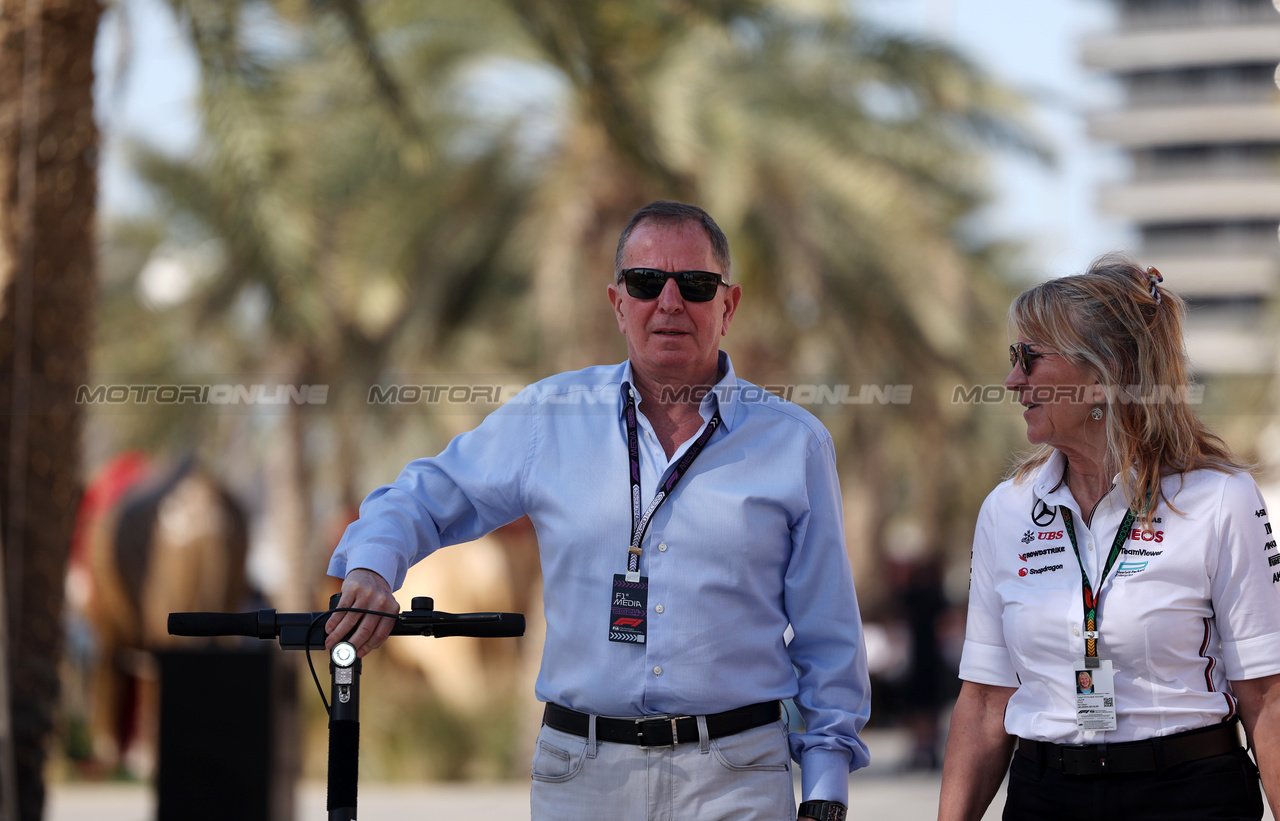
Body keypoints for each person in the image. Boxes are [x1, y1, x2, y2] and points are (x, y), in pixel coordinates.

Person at [324, 200, 871, 821]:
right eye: (645, 283)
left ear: (729, 305)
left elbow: (829, 638)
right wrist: (371, 567)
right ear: (617, 303)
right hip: (580, 779)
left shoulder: (794, 444)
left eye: (694, 284)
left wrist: (826, 788)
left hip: (736, 780)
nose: (669, 302)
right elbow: (422, 494)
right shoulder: (548, 419)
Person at [937, 255, 1280, 821]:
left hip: (1188, 796)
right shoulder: (1007, 510)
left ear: (1103, 376)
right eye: (1012, 359)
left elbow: (1266, 697)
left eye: (1029, 357)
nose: (1012, 380)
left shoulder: (1221, 499)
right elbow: (983, 702)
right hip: (1045, 796)